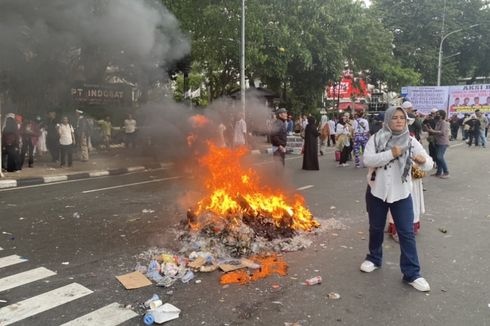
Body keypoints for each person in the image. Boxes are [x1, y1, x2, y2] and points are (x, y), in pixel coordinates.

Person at [360, 106, 433, 292]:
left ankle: (412, 273)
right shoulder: (376, 138)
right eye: (395, 117)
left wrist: (423, 162)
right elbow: (367, 160)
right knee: (375, 228)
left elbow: (428, 163)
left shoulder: (411, 141)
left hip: (401, 194)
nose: (399, 120)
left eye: (402, 118)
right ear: (388, 120)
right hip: (377, 191)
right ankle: (374, 258)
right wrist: (391, 153)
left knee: (406, 232)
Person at [427, 110, 450, 178]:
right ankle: (439, 172)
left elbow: (442, 132)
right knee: (437, 158)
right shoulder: (438, 122)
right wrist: (430, 129)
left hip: (443, 142)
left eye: (438, 114)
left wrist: (433, 131)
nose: (436, 115)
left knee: (440, 157)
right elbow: (436, 131)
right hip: (437, 142)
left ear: (442, 116)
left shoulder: (444, 123)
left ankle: (446, 172)